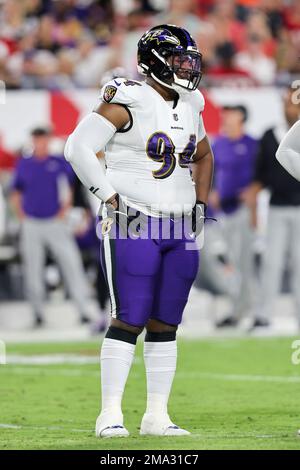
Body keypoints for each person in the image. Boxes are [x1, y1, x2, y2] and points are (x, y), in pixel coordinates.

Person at [65, 24, 214, 437]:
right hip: (135, 220)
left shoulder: (192, 102)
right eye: (180, 60)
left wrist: (200, 203)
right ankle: (109, 413)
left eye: (191, 60)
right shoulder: (128, 96)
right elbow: (77, 147)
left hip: (180, 223)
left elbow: (203, 154)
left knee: (167, 321)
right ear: (155, 61)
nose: (188, 67)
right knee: (129, 315)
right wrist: (109, 198)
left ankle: (156, 416)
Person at [10, 127, 92, 327]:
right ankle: (37, 313)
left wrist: (65, 208)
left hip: (55, 222)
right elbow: (16, 192)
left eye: (44, 138)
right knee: (33, 268)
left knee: (72, 264)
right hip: (32, 223)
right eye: (37, 139)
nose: (41, 143)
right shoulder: (24, 164)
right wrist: (21, 215)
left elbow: (71, 186)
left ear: (48, 140)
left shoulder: (57, 162)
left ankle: (83, 310)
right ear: (33, 140)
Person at [210, 105, 258, 327]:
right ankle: (236, 307)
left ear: (242, 118)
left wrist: (254, 194)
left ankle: (246, 309)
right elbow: (210, 170)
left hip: (242, 210)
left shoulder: (252, 145)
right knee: (226, 262)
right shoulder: (218, 144)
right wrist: (211, 192)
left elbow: (262, 175)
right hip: (222, 212)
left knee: (243, 262)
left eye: (232, 115)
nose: (227, 119)